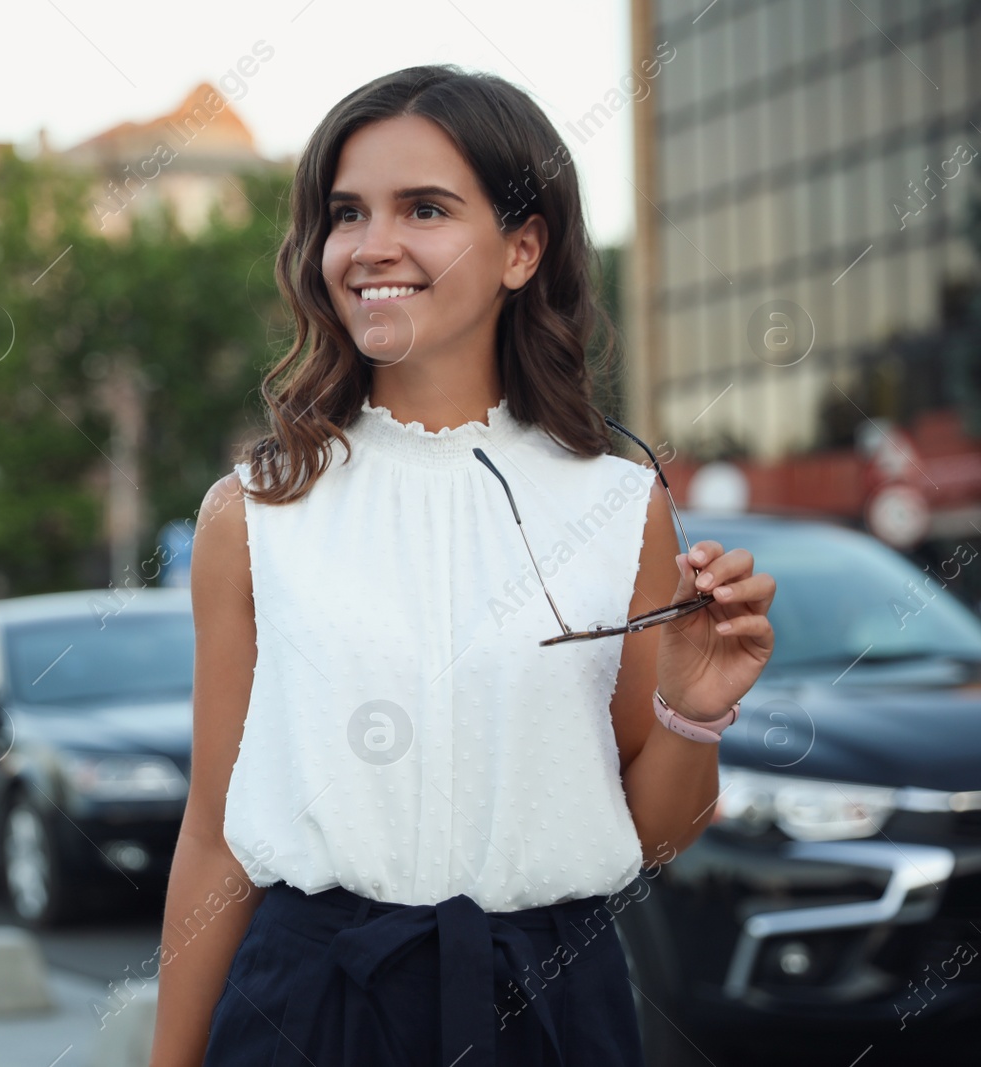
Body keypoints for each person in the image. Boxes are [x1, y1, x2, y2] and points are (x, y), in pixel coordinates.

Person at [149, 64, 776, 1067]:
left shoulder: (617, 504)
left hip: (553, 1012)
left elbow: (656, 832)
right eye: (346, 213)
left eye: (425, 209)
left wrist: (693, 709)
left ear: (522, 248)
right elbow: (216, 837)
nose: (372, 245)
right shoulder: (253, 512)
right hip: (307, 1011)